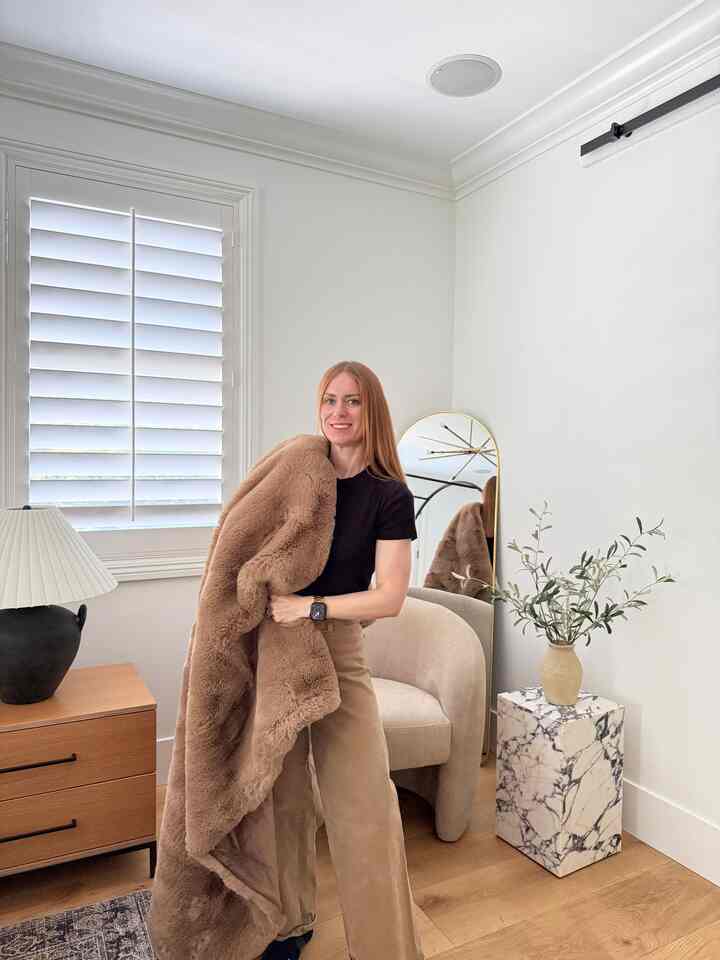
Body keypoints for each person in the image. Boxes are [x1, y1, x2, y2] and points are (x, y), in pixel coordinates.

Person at [261, 360, 425, 960]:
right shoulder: (300, 472)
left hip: (336, 646)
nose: (337, 412)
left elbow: (390, 597)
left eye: (352, 401)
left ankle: (386, 949)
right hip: (276, 645)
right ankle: (288, 926)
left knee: (365, 808)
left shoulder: (389, 494)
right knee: (281, 798)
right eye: (328, 399)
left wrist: (312, 608)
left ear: (371, 409)